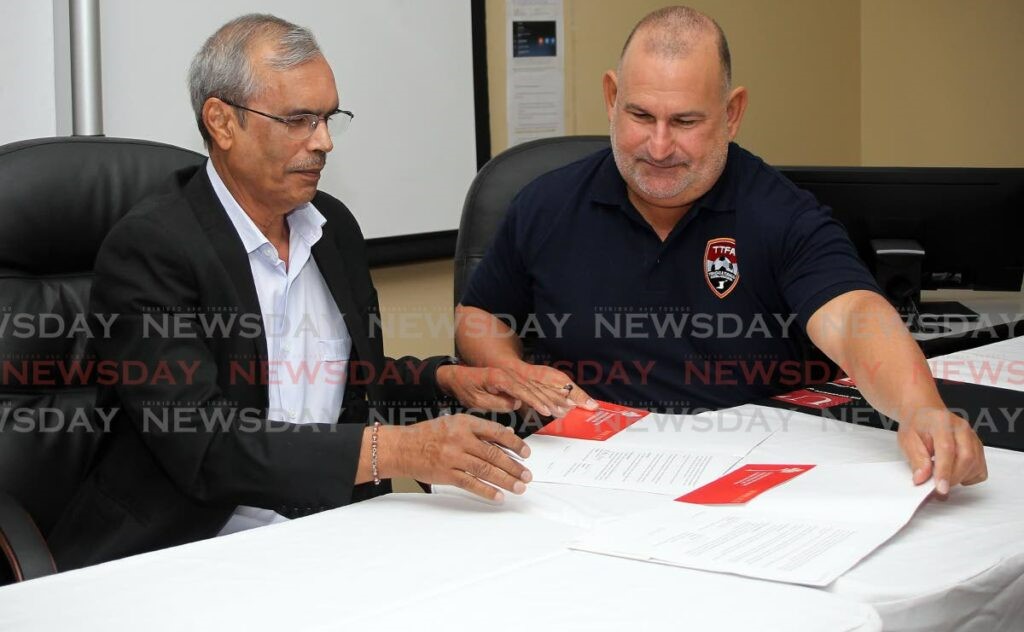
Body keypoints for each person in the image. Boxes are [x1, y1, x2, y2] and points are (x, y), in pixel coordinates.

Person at [49, 14, 557, 570]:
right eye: (299, 120)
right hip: (190, 548)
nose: (324, 142)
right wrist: (400, 449)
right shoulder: (150, 249)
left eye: (328, 117)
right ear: (221, 122)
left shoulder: (331, 227)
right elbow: (203, 444)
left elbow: (343, 387)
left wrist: (446, 379)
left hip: (332, 533)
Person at [455, 6, 987, 494]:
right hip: (583, 471)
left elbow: (853, 317)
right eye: (641, 116)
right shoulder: (545, 205)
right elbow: (478, 314)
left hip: (742, 473)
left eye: (685, 122)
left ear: (732, 113)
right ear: (611, 97)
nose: (659, 147)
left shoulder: (779, 212)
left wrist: (921, 407)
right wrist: (509, 368)